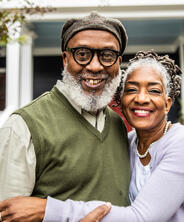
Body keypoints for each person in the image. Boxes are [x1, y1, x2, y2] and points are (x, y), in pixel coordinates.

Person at [0, 50, 184, 222]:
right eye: (132, 89)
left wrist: (47, 209)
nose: (141, 98)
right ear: (121, 101)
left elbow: (140, 217)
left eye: (153, 91)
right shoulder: (126, 141)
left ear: (168, 104)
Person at [0, 12, 131, 220]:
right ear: (65, 58)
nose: (95, 66)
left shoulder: (118, 124)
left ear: (118, 63)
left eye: (107, 55)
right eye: (82, 54)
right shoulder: (23, 126)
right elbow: (6, 216)